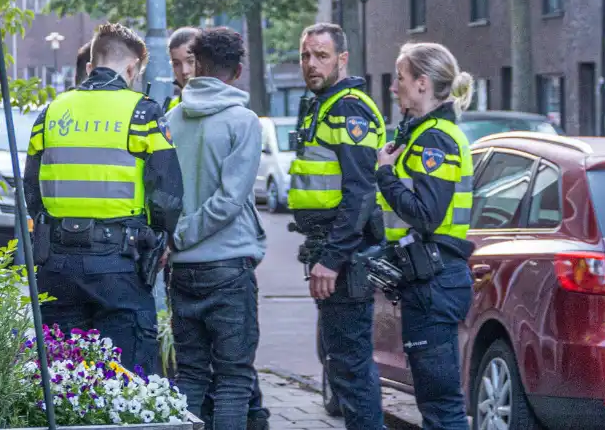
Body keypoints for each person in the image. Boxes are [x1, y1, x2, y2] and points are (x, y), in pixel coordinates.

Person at [24, 23, 183, 375]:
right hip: (120, 264)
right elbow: (167, 193)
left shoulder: (50, 113)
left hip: (58, 265)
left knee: (63, 378)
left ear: (90, 67)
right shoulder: (143, 114)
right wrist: (160, 239)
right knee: (125, 377)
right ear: (130, 69)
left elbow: (31, 190)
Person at [167, 27, 268, 430]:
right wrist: (186, 234)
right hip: (228, 267)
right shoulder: (244, 122)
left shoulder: (171, 118)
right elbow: (229, 200)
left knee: (190, 375)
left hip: (182, 271)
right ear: (239, 71)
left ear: (198, 66)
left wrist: (175, 239)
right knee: (233, 379)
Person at [287, 23, 386, 430]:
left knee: (349, 364)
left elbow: (360, 193)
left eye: (321, 56)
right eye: (306, 55)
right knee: (341, 361)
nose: (311, 64)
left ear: (342, 59)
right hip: (331, 251)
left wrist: (331, 259)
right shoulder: (322, 104)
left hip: (344, 256)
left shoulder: (348, 108)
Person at [375, 42, 476, 430]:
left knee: (441, 405)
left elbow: (425, 215)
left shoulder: (435, 138)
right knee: (435, 401)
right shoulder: (424, 133)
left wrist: (385, 173)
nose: (393, 86)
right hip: (430, 280)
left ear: (421, 83)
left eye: (399, 78)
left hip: (435, 282)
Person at [165, 26, 200, 111]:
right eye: (176, 64)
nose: (184, 71)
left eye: (190, 61)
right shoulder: (171, 108)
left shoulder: (223, 103)